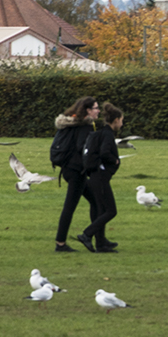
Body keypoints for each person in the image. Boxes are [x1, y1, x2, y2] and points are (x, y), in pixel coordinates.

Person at [52, 96, 100, 252]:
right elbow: (82, 147)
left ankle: (96, 238)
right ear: (88, 110)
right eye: (95, 108)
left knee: (96, 201)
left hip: (67, 169)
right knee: (70, 207)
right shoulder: (85, 126)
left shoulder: (69, 122)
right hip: (76, 171)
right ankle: (61, 243)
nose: (98, 111)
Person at [78, 101, 124, 253]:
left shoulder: (103, 132)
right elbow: (104, 153)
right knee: (111, 211)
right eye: (121, 121)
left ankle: (101, 244)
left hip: (96, 177)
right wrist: (115, 160)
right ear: (116, 120)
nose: (122, 124)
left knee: (101, 210)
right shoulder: (108, 135)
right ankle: (86, 234)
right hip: (100, 178)